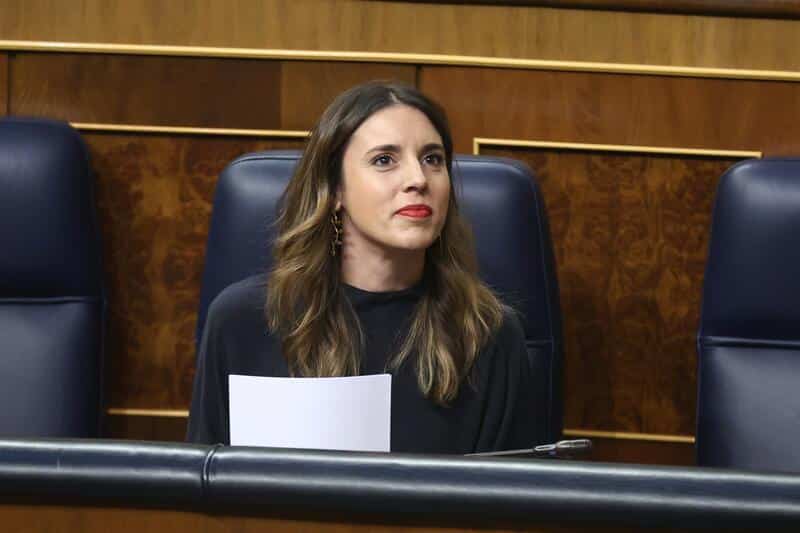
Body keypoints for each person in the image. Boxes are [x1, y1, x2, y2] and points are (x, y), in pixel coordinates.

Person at [187, 81, 536, 453]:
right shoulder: (243, 322)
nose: (418, 180)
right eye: (384, 160)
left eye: (432, 159)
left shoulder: (488, 333)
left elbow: (511, 489)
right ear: (335, 189)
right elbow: (205, 479)